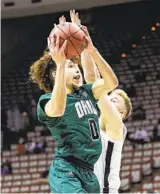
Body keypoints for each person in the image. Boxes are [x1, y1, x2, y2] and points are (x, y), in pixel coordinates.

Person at [29, 14, 118, 193]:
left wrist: (91, 50)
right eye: (71, 66)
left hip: (88, 171)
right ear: (56, 74)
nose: (77, 69)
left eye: (76, 66)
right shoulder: (46, 101)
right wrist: (61, 64)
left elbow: (112, 82)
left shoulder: (86, 92)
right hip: (66, 169)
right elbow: (58, 109)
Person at [70, 10, 132, 193]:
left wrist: (89, 48)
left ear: (121, 114)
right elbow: (90, 76)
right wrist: (82, 43)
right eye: (110, 98)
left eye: (114, 101)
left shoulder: (116, 127)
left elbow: (93, 83)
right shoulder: (96, 121)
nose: (109, 100)